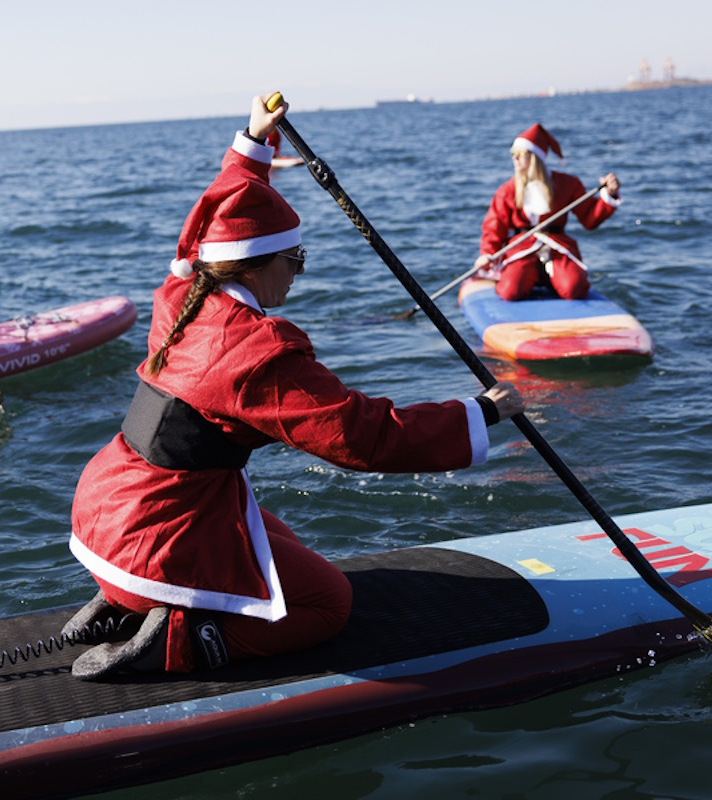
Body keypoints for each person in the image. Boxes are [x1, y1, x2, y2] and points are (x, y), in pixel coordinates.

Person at [63, 94, 525, 680]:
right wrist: (477, 414)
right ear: (255, 266)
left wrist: (254, 142)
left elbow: (214, 216)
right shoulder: (258, 351)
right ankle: (178, 637)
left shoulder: (182, 293)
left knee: (271, 530)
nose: (299, 273)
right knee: (327, 602)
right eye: (295, 260)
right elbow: (360, 436)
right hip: (155, 536)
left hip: (106, 510)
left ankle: (132, 599)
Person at [473, 124, 621, 301]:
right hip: (521, 249)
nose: (515, 159)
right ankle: (526, 276)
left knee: (575, 289)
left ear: (534, 157)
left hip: (557, 247)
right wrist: (487, 253)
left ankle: (553, 277)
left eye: (520, 154)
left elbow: (589, 218)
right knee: (511, 291)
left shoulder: (567, 184)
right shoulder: (507, 190)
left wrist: (608, 195)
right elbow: (494, 226)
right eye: (512, 153)